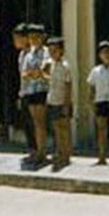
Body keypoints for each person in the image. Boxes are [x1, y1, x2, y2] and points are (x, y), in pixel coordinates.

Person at [20, 24, 51, 166]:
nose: (33, 40)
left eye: (36, 37)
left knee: (41, 122)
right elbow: (24, 73)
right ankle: (39, 151)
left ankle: (42, 152)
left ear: (42, 37)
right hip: (31, 90)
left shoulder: (46, 52)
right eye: (31, 37)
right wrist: (34, 73)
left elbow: (43, 69)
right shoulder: (29, 54)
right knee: (36, 122)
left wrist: (35, 73)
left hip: (42, 90)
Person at [42, 37, 73, 171]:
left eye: (55, 50)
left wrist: (66, 104)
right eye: (50, 50)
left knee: (64, 128)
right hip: (52, 99)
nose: (52, 53)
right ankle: (59, 151)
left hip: (62, 101)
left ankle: (66, 154)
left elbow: (68, 85)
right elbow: (46, 76)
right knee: (56, 128)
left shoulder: (65, 66)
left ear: (61, 51)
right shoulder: (50, 64)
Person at [86, 40, 109, 166]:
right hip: (101, 102)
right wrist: (91, 103)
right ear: (100, 55)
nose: (107, 55)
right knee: (101, 130)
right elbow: (91, 87)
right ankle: (102, 156)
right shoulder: (96, 71)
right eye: (104, 53)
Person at [12, 24, 37, 160]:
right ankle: (32, 148)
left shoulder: (35, 53)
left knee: (36, 123)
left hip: (35, 91)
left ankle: (39, 149)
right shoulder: (21, 54)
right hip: (25, 91)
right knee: (27, 122)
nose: (15, 41)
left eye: (17, 38)